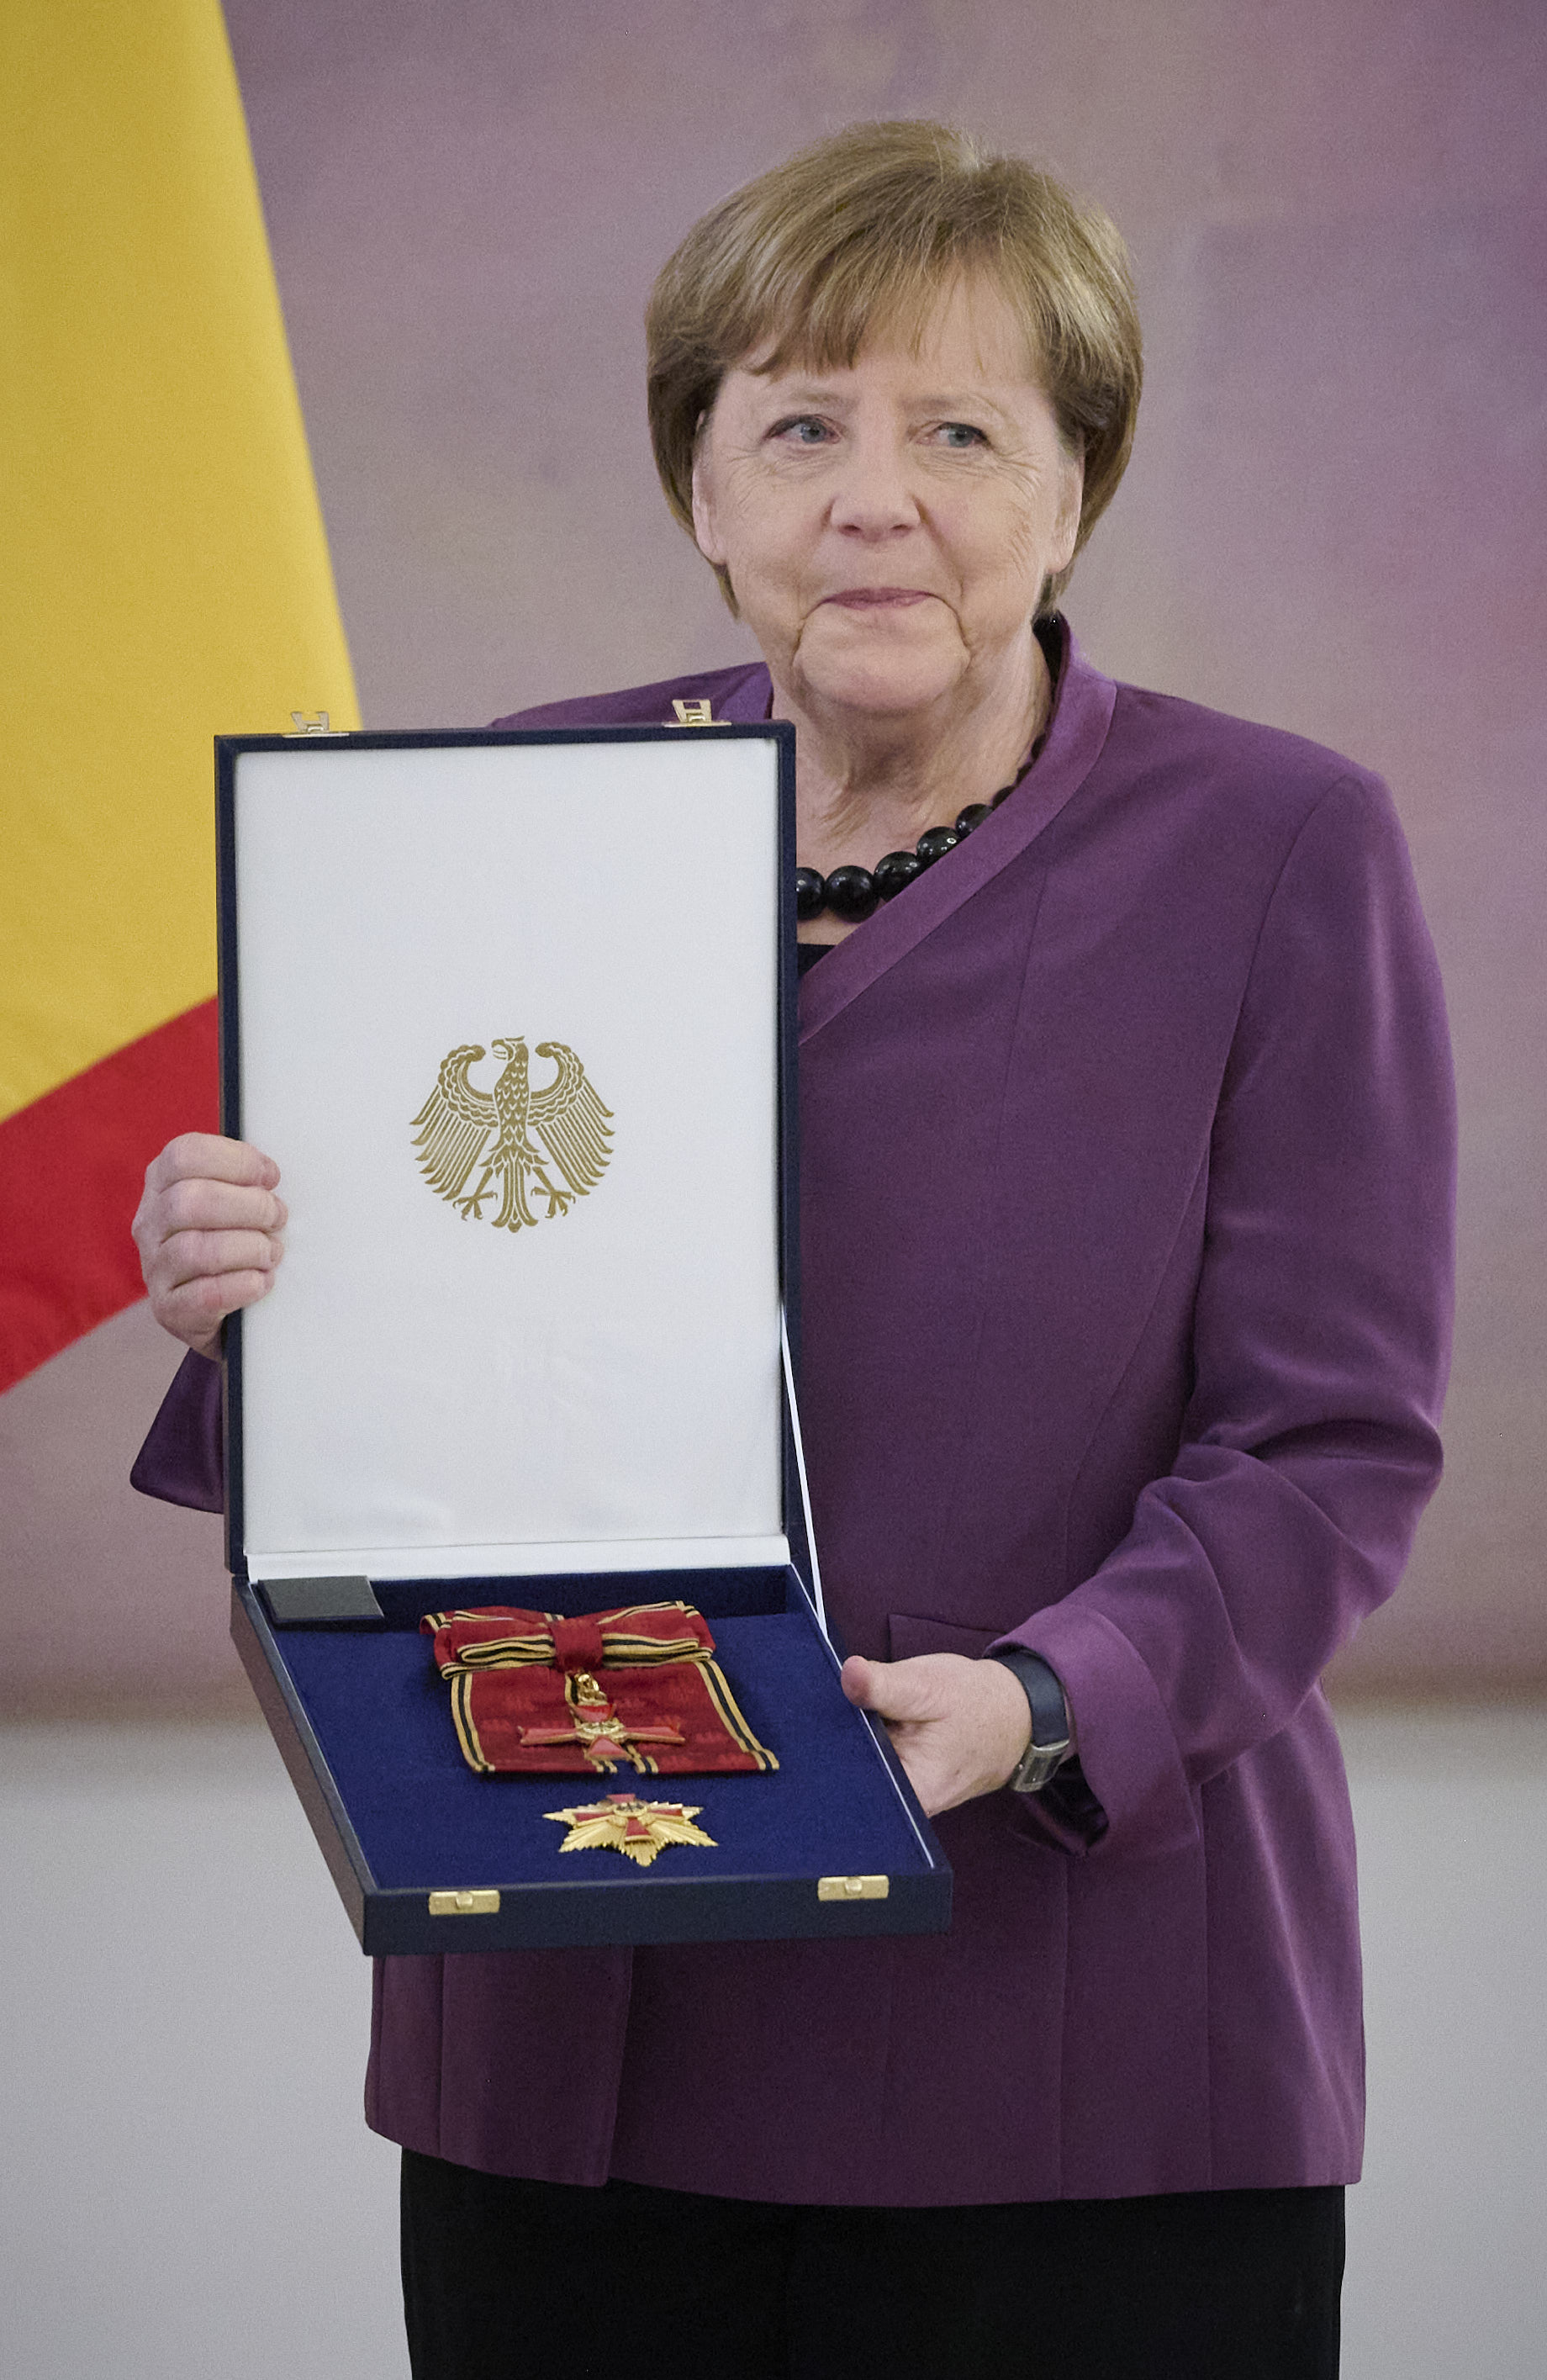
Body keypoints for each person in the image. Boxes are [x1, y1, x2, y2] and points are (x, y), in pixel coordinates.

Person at [130, 119, 1455, 2379]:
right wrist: (257, 1281)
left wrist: (1050, 1702)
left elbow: (1333, 1449)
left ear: (1073, 487)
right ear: (702, 489)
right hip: (569, 2023)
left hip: (1082, 2038)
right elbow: (442, 1355)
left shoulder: (1278, 844)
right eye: (802, 425)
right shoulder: (491, 816)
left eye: (961, 428)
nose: (876, 496)